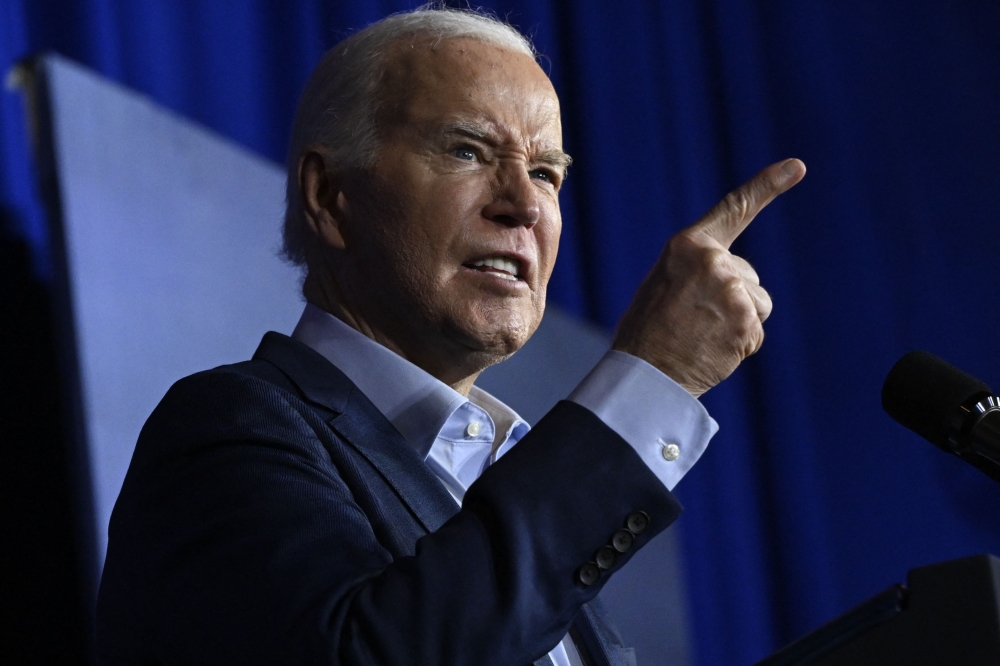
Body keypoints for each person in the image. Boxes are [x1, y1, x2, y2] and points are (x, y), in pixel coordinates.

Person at [96, 6, 805, 666]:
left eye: (545, 173)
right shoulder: (228, 428)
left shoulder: (511, 478)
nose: (525, 205)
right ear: (330, 196)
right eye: (467, 151)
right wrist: (654, 375)